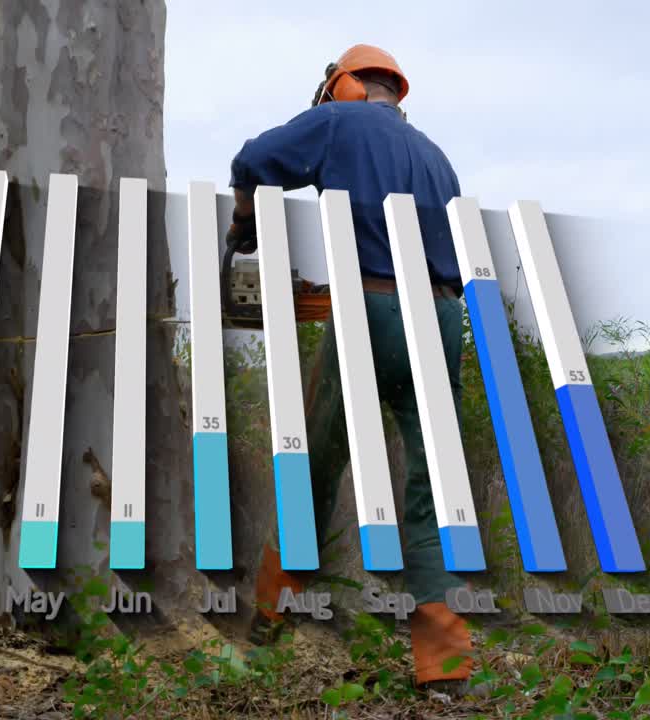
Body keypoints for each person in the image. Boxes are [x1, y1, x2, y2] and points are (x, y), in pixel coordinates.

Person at [226, 44, 474, 693]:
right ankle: (445, 668)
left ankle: (267, 623)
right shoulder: (437, 157)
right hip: (442, 315)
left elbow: (252, 160)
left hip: (371, 308)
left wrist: (244, 221)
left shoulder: (339, 120)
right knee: (432, 487)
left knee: (314, 467)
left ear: (344, 85)